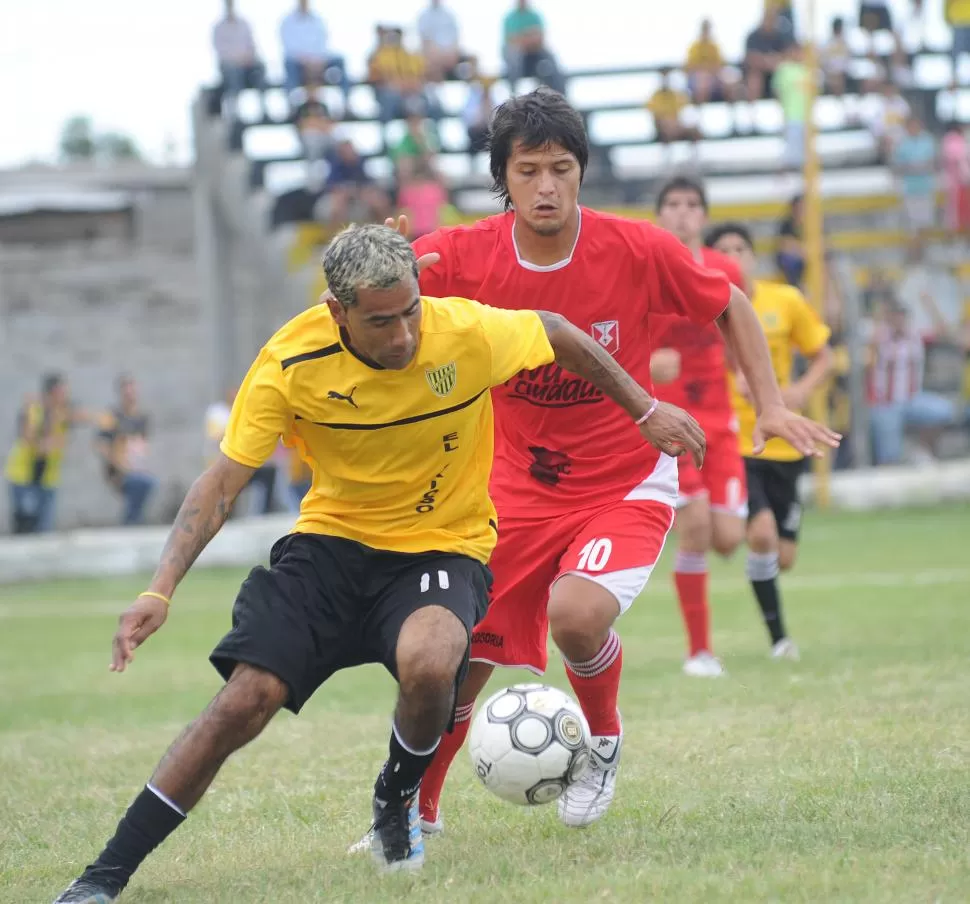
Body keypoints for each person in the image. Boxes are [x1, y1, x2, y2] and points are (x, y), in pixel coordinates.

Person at [52, 223, 710, 902]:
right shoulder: (290, 362)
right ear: (337, 312)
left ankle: (396, 804)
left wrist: (644, 409)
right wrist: (160, 590)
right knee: (245, 700)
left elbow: (558, 331)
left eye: (410, 313)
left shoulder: (466, 332)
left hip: (441, 546)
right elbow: (221, 483)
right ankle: (103, 877)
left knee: (432, 661)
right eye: (379, 322)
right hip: (330, 548)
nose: (401, 337)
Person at [380, 89, 840, 836]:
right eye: (528, 170)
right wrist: (380, 265)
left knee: (576, 615)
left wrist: (773, 404)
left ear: (582, 172)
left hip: (625, 478)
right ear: (504, 176)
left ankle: (602, 744)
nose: (547, 186)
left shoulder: (636, 249)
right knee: (459, 665)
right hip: (511, 491)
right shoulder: (461, 254)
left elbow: (731, 305)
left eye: (561, 168)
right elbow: (376, 303)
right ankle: (413, 816)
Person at [706, 222, 834, 660]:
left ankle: (757, 574)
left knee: (784, 555)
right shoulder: (698, 308)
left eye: (741, 248)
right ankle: (780, 641)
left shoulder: (786, 301)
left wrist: (798, 392)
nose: (734, 256)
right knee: (761, 535)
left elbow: (824, 355)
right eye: (724, 250)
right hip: (735, 443)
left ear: (753, 257)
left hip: (785, 444)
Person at [650, 177, 749, 678]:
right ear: (660, 214)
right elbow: (616, 335)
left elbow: (739, 333)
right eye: (673, 203)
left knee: (729, 537)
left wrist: (750, 381)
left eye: (692, 205)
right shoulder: (645, 269)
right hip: (672, 419)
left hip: (721, 416)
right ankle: (700, 651)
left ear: (704, 216)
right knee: (697, 529)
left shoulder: (726, 270)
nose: (683, 213)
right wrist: (647, 364)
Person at [5, 373, 86, 534]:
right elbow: (31, 439)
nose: (65, 397)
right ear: (51, 393)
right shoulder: (34, 411)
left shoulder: (63, 414)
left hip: (48, 479)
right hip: (23, 477)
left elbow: (81, 421)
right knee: (25, 522)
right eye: (61, 392)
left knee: (45, 531)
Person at [96, 376, 157, 527]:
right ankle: (130, 521)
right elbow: (101, 444)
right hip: (119, 470)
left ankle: (133, 520)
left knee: (146, 484)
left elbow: (142, 444)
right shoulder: (112, 416)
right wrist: (118, 463)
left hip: (136, 467)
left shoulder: (142, 417)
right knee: (143, 484)